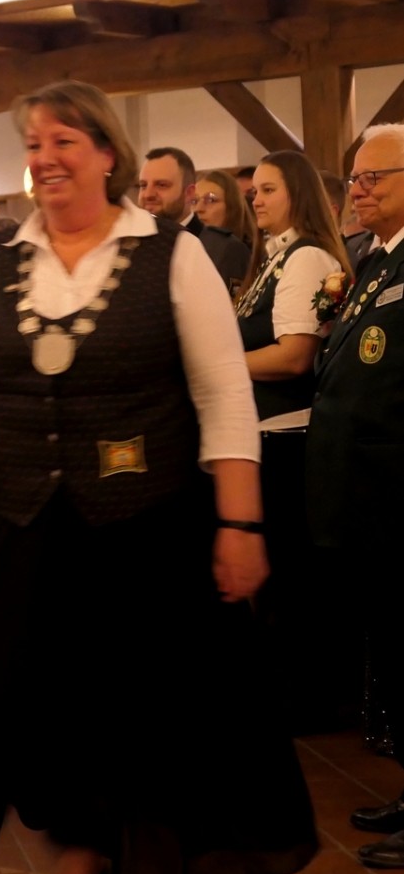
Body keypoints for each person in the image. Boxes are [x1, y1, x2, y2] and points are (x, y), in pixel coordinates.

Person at [0, 80, 317, 874]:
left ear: (106, 154)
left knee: (147, 716)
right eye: (34, 144)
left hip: (145, 532)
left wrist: (239, 524)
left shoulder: (169, 253)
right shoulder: (0, 259)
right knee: (38, 708)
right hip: (25, 528)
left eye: (64, 141)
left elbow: (223, 396)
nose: (45, 158)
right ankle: (82, 850)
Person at [307, 123, 404, 868]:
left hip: (397, 491)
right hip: (368, 494)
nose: (358, 189)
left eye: (374, 176)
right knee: (392, 651)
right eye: (354, 178)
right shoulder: (375, 257)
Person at [235, 150, 353, 732]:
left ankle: (308, 699)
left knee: (293, 576)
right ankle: (287, 691)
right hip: (267, 434)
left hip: (289, 435)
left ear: (298, 193)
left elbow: (294, 356)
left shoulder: (306, 257)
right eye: (254, 190)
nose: (255, 198)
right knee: (280, 575)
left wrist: (213, 364)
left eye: (268, 189)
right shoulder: (276, 257)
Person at [138, 147, 250, 296]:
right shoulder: (134, 244)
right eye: (143, 185)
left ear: (189, 193)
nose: (148, 194)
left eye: (162, 185)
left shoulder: (221, 248)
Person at [193, 169, 256, 247]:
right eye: (194, 201)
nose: (198, 209)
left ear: (232, 206)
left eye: (210, 200)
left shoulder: (246, 250)